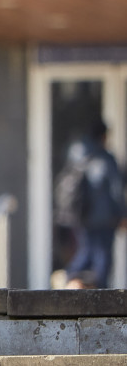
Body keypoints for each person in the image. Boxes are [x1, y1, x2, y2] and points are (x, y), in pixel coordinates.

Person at [62, 121, 123, 289]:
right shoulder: (105, 159)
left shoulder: (77, 154)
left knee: (86, 251)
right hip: (103, 218)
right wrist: (121, 214)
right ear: (103, 136)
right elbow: (115, 189)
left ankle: (68, 278)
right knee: (102, 259)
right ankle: (101, 297)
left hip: (81, 216)